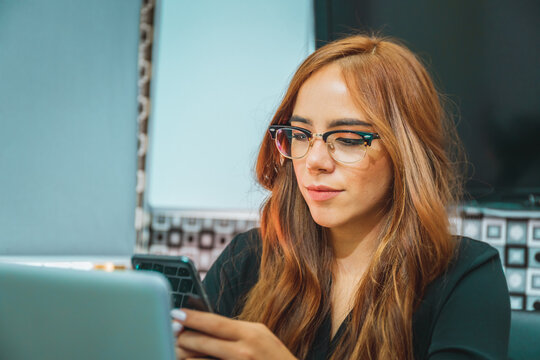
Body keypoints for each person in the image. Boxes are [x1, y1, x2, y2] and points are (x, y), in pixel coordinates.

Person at [171, 35, 510, 359]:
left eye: (347, 138)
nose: (314, 161)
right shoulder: (250, 257)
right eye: (300, 134)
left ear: (404, 151)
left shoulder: (464, 275)